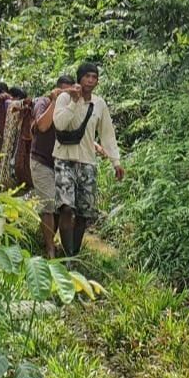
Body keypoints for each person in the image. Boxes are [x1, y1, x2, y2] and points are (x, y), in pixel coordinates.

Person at [52, 63, 124, 257]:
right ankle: (66, 257)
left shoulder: (99, 104)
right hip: (64, 158)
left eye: (94, 77)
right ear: (79, 79)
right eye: (87, 77)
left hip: (88, 162)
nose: (91, 81)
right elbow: (59, 123)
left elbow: (107, 134)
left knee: (84, 214)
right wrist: (74, 102)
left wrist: (116, 161)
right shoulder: (64, 98)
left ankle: (74, 254)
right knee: (66, 208)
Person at [32, 76, 77, 258]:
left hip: (61, 162)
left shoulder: (72, 106)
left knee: (60, 206)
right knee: (49, 204)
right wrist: (54, 101)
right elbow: (42, 126)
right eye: (63, 92)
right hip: (41, 160)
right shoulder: (44, 102)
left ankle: (48, 238)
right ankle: (50, 249)